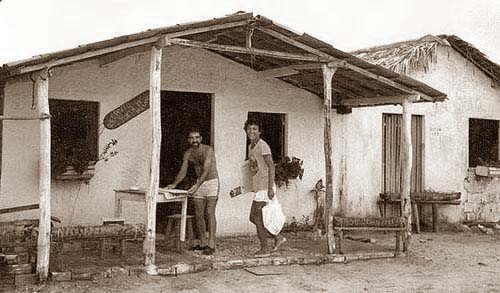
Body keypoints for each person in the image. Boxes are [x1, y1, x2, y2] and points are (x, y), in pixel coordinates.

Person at [166, 128, 219, 255]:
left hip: (211, 182)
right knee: (199, 213)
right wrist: (174, 184)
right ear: (188, 140)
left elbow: (206, 169)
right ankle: (203, 242)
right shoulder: (188, 153)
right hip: (198, 183)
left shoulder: (208, 150)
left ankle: (211, 243)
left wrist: (197, 185)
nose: (194, 140)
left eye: (197, 137)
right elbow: (183, 171)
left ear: (200, 138)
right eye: (192, 138)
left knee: (209, 212)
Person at [245, 119, 287, 257]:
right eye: (249, 129)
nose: (251, 131)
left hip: (265, 187)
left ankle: (265, 249)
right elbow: (255, 168)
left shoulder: (263, 146)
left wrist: (270, 188)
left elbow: (271, 167)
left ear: (259, 131)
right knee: (253, 217)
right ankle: (278, 237)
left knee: (257, 218)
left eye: (254, 129)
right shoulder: (251, 146)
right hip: (258, 187)